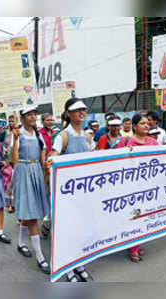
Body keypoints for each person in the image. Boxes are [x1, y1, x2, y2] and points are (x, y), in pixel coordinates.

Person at [49, 98, 95, 282]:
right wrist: (51, 161)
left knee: (80, 229)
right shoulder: (63, 136)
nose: (81, 113)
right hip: (66, 193)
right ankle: (66, 268)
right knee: (65, 230)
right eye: (77, 110)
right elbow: (54, 157)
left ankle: (79, 262)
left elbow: (96, 160)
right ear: (68, 114)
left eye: (83, 110)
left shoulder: (88, 136)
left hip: (84, 191)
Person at [11, 106, 50, 275]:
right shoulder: (17, 134)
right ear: (22, 117)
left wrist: (45, 173)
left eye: (34, 114)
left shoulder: (39, 134)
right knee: (32, 215)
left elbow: (43, 155)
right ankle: (40, 257)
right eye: (29, 114)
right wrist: (14, 140)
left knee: (29, 212)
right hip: (24, 171)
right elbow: (13, 160)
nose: (33, 116)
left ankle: (20, 242)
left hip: (36, 172)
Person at [126, 114, 159, 263]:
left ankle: (136, 243)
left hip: (150, 187)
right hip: (132, 188)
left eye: (147, 123)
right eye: (142, 123)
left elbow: (165, 157)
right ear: (134, 126)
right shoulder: (126, 142)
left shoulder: (153, 142)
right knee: (134, 216)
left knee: (144, 216)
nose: (147, 126)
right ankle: (132, 248)